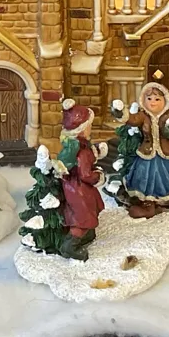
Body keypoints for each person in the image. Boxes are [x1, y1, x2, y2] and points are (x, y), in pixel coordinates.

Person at [112, 82, 169, 218]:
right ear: (143, 100)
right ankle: (148, 203)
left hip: (167, 155)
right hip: (147, 155)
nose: (153, 102)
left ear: (165, 101)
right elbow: (132, 119)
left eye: (157, 99)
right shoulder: (143, 116)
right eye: (149, 98)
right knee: (145, 178)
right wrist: (120, 112)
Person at [57, 101, 104, 261]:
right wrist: (98, 176)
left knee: (85, 213)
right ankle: (70, 246)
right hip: (80, 189)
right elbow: (85, 174)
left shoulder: (76, 146)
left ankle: (86, 234)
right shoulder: (81, 151)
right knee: (83, 216)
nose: (90, 128)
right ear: (82, 129)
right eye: (89, 126)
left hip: (74, 186)